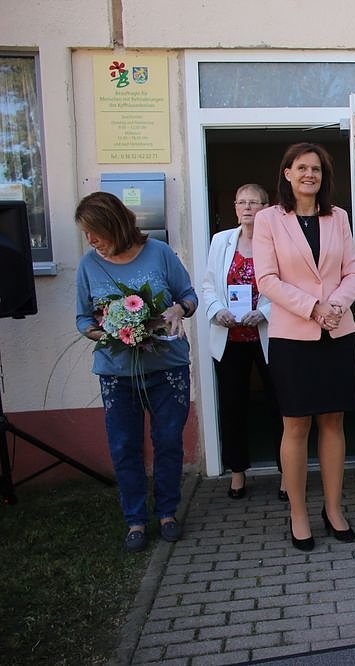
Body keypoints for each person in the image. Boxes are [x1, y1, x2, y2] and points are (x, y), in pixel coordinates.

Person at [253, 143, 355, 552]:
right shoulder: (268, 219)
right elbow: (267, 279)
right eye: (301, 168)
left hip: (336, 331)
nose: (309, 175)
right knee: (296, 425)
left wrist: (334, 306)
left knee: (333, 421)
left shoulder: (339, 217)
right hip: (293, 336)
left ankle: (333, 508)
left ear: (323, 176)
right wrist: (312, 308)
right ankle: (298, 513)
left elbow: (354, 271)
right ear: (287, 173)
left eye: (316, 169)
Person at [75, 191, 197, 553]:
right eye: (86, 233)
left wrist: (178, 310)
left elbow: (189, 296)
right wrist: (108, 333)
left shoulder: (159, 252)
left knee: (168, 441)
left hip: (167, 368)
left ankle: (167, 513)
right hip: (116, 372)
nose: (91, 240)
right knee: (124, 445)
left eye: (96, 231)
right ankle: (135, 520)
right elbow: (82, 318)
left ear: (115, 224)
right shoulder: (88, 265)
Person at [202, 184, 285, 501]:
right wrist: (216, 310)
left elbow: (288, 285)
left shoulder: (278, 241)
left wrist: (264, 312)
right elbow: (209, 285)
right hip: (230, 337)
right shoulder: (221, 241)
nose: (247, 207)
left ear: (267, 207)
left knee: (280, 405)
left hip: (268, 335)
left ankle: (287, 474)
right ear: (235, 208)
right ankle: (237, 472)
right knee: (233, 405)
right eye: (241, 202)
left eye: (253, 202)